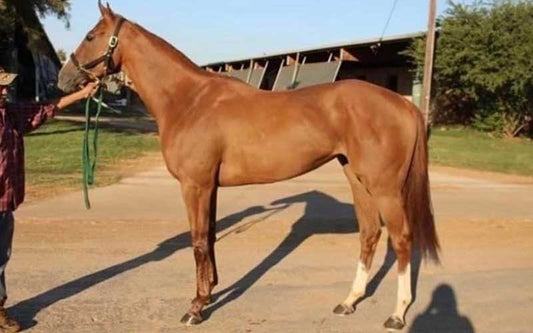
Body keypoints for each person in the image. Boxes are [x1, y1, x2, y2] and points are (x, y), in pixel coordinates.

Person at [0, 67, 98, 332]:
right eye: (1, 87)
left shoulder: (9, 114)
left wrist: (82, 94)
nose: (5, 90)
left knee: (0, 258)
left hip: (4, 204)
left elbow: (46, 108)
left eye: (6, 86)